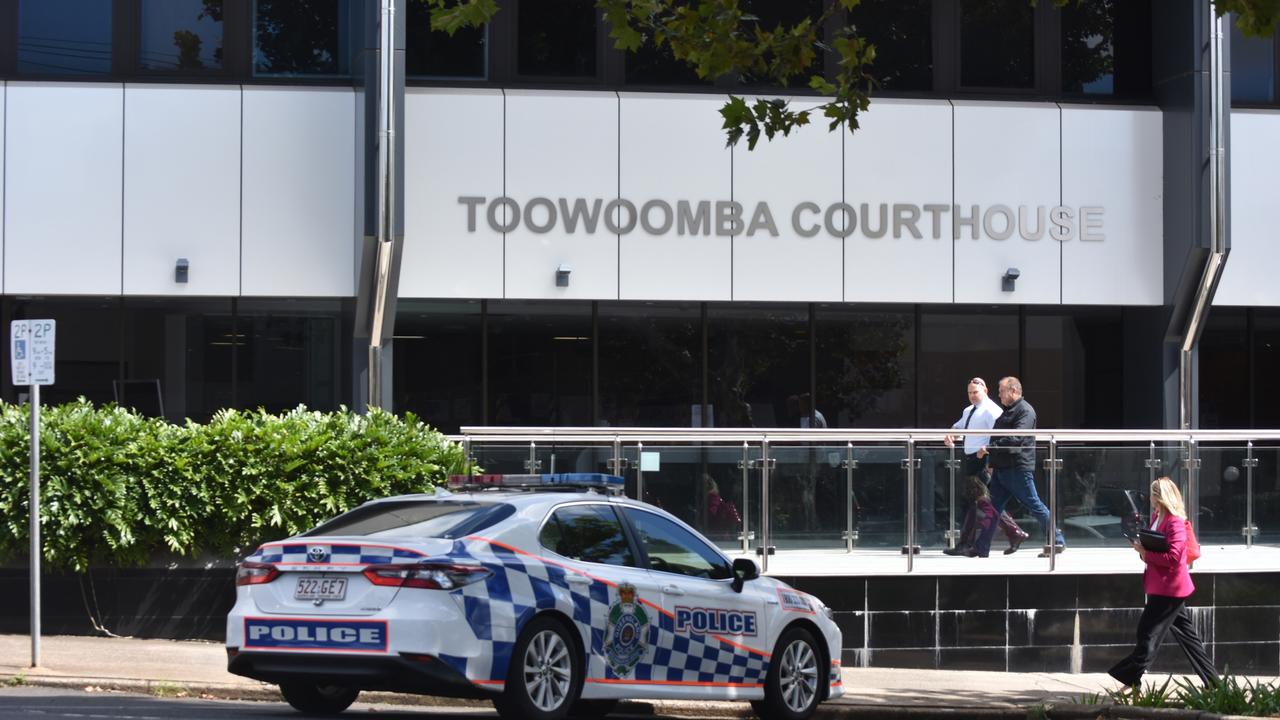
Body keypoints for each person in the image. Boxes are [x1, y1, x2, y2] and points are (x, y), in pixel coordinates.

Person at [1108, 477, 1218, 689]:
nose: (1150, 499)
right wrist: (1142, 549)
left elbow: (1175, 558)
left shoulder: (1174, 521)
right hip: (1161, 585)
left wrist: (1145, 553)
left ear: (1160, 497)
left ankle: (1129, 677)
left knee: (1147, 634)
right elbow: (1156, 550)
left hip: (1170, 589)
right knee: (1189, 639)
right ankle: (1214, 684)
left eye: (1153, 494)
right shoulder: (1158, 518)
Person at [944, 377, 1030, 554]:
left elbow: (998, 437)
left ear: (985, 391)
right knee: (976, 501)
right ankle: (1011, 533)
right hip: (970, 459)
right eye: (969, 393)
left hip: (983, 460)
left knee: (981, 502)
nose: (972, 396)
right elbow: (958, 427)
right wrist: (951, 434)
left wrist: (991, 463)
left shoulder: (992, 410)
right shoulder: (969, 410)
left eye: (975, 392)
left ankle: (1012, 532)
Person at [986, 376, 1065, 557]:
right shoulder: (1008, 411)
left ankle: (1058, 541)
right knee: (992, 508)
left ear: (1013, 391)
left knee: (1034, 504)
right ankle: (979, 546)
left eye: (1001, 391)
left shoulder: (1025, 411)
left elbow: (1017, 439)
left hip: (1017, 468)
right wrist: (992, 462)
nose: (999, 395)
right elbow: (997, 436)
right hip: (1002, 468)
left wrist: (990, 449)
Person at [945, 476, 1001, 557]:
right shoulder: (982, 502)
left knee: (976, 517)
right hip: (986, 522)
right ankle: (974, 546)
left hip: (984, 524)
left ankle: (968, 545)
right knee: (978, 515)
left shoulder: (981, 503)